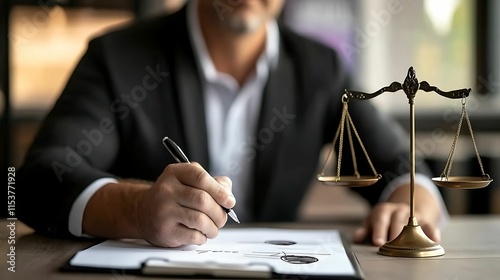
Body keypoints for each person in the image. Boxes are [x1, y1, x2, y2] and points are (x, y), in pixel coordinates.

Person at [17, 0, 447, 248]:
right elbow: (38, 180)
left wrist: (413, 205)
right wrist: (136, 210)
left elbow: (398, 167)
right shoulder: (117, 58)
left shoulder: (320, 69)